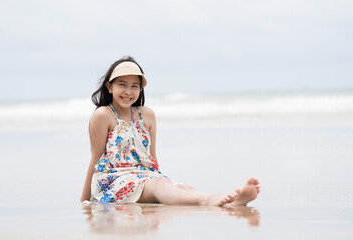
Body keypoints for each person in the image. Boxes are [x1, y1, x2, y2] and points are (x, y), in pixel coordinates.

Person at [80, 56, 260, 207]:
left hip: (145, 175)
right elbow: (95, 159)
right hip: (114, 180)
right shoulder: (104, 115)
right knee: (159, 185)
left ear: (141, 89)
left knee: (182, 187)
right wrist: (84, 200)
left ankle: (229, 202)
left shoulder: (147, 114)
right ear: (109, 87)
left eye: (135, 86)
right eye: (122, 84)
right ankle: (209, 200)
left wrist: (162, 181)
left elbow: (152, 158)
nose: (128, 91)